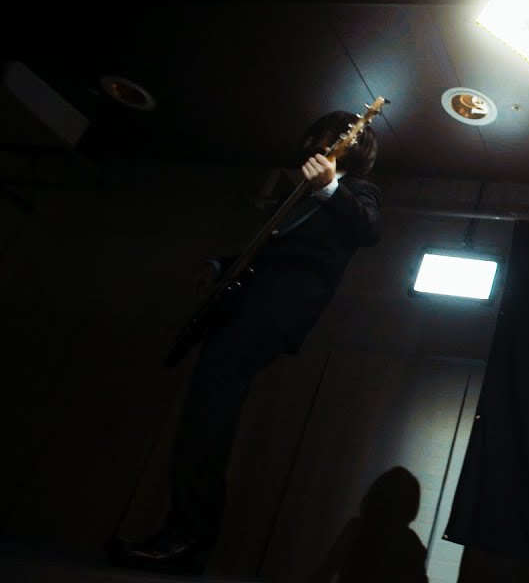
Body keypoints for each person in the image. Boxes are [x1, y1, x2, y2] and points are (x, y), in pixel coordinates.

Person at [107, 111, 383, 574]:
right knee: (203, 415)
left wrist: (330, 188)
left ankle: (188, 539)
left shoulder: (358, 190)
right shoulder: (297, 195)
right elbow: (271, 248)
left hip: (272, 314)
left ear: (352, 147)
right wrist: (221, 265)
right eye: (316, 139)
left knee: (208, 418)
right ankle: (183, 534)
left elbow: (369, 229)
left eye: (329, 140)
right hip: (243, 308)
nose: (317, 146)